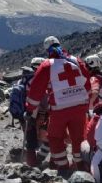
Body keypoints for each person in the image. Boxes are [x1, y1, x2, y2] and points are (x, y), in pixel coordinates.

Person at [26, 36, 91, 171]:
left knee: (55, 138)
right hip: (80, 106)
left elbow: (36, 91)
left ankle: (63, 167)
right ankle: (79, 166)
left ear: (47, 50)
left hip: (60, 108)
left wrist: (30, 109)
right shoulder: (76, 61)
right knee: (78, 138)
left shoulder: (47, 65)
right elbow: (87, 83)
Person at [21, 57, 49, 167]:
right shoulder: (39, 79)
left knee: (31, 139)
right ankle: (37, 160)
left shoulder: (25, 79)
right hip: (38, 113)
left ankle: (32, 161)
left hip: (28, 112)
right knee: (48, 138)